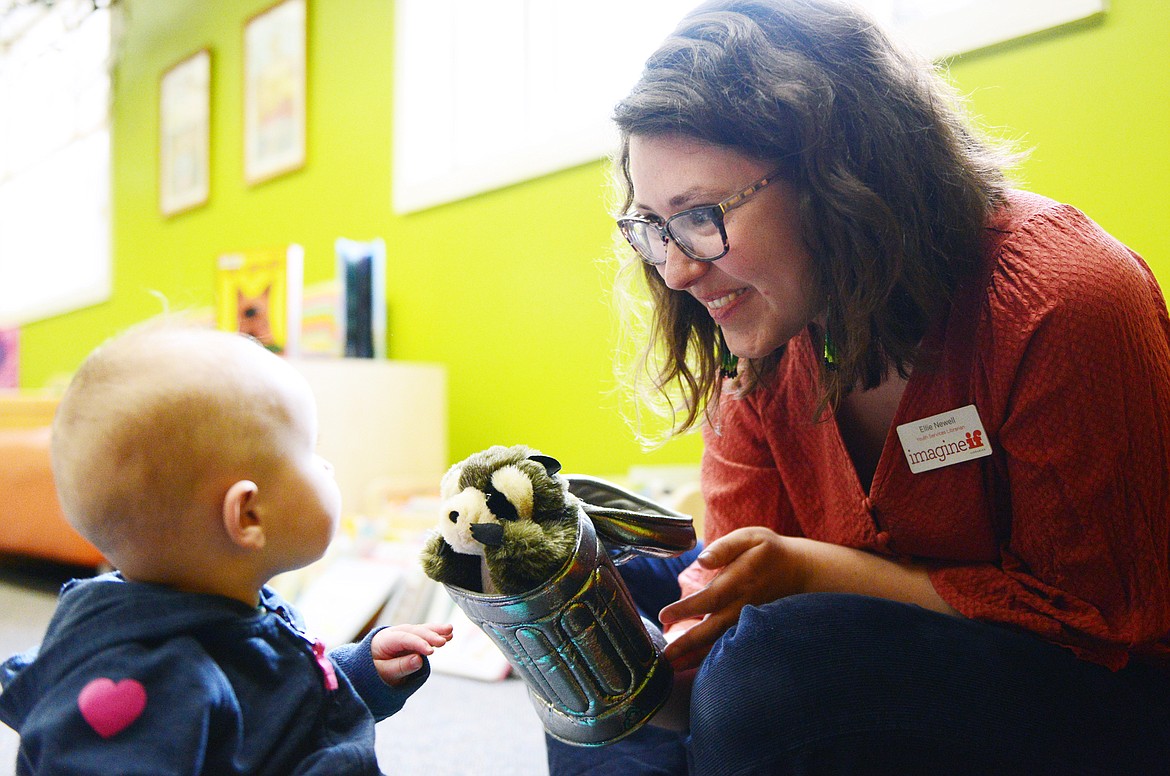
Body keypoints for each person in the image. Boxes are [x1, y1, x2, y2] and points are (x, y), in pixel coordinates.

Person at [547, 0, 1170, 773]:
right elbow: (718, 661)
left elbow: (1107, 625)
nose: (674, 268)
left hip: (1104, 690)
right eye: (651, 226)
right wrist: (579, 644)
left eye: (700, 214)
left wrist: (817, 572)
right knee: (604, 617)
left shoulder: (1063, 297)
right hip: (852, 683)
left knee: (776, 670)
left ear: (839, 174)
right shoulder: (761, 346)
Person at [0, 322, 453, 775]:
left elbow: (270, 704)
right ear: (249, 516)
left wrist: (358, 672)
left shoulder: (228, 608)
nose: (327, 465)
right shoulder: (156, 680)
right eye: (310, 452)